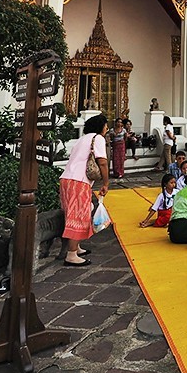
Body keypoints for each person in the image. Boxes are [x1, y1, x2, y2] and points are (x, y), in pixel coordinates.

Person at [59, 113, 109, 266]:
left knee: (78, 212)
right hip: (79, 181)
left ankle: (76, 247)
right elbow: (102, 162)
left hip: (67, 178)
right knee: (78, 215)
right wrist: (105, 183)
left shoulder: (82, 139)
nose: (107, 129)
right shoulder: (98, 138)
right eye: (106, 126)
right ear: (100, 126)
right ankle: (71, 254)